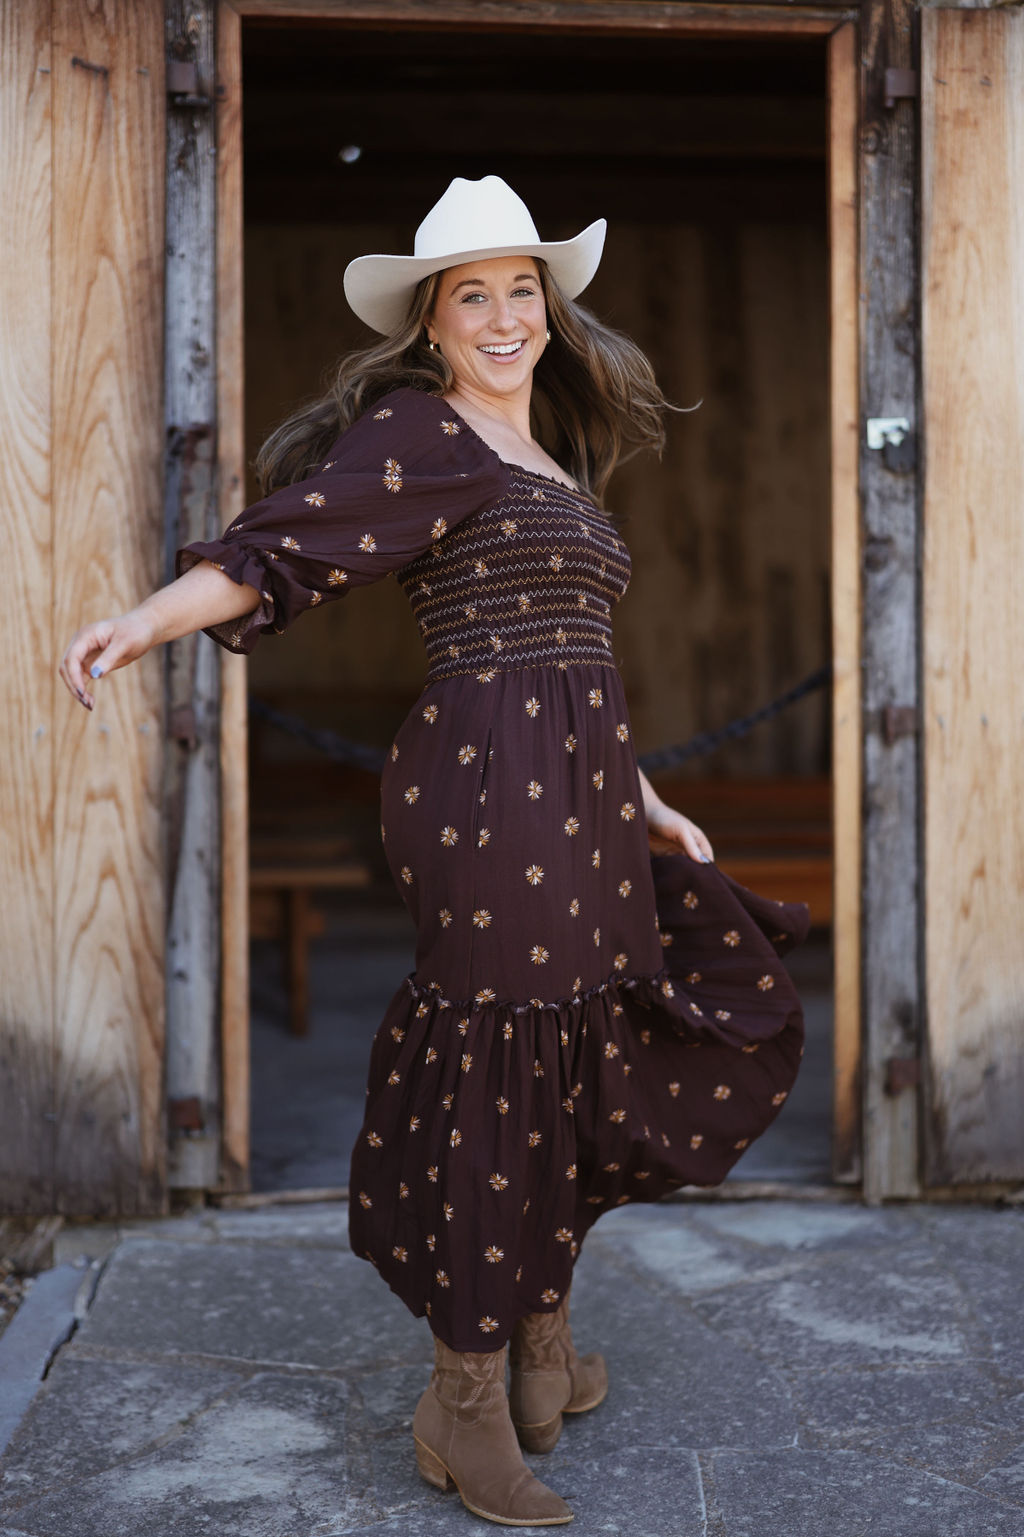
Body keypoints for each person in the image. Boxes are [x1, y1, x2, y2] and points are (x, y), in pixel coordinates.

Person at [60, 174, 809, 1528]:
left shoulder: (548, 457)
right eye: (476, 294)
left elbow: (573, 653)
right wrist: (142, 622)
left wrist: (644, 797)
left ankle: (543, 1346)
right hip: (488, 789)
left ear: (550, 311)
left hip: (581, 796)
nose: (507, 315)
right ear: (431, 323)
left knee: (575, 1046)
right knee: (499, 1068)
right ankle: (462, 1400)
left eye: (525, 289)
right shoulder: (423, 430)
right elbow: (279, 551)